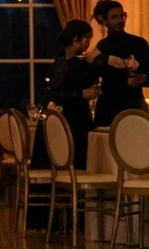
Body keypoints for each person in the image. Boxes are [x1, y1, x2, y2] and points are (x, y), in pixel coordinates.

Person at [30, 19, 102, 172]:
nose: (89, 42)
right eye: (87, 38)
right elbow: (54, 93)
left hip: (77, 116)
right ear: (75, 39)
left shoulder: (80, 62)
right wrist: (81, 94)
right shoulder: (62, 62)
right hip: (66, 119)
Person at [92, 0, 149, 127]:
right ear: (103, 20)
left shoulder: (139, 43)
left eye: (122, 16)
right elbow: (94, 76)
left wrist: (142, 79)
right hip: (108, 108)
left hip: (134, 105)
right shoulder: (101, 47)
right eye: (114, 17)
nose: (120, 20)